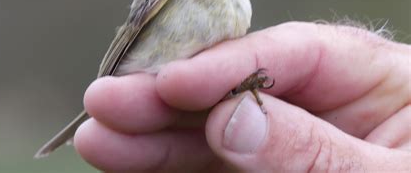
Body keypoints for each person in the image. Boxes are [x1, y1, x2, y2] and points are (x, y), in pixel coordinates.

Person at [73, 22, 411, 172]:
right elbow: (132, 33)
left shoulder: (235, 10)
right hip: (151, 78)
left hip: (189, 96)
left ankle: (235, 92)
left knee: (196, 90)